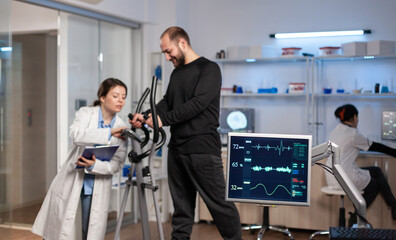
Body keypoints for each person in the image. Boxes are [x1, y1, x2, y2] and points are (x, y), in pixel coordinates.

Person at [131, 26, 242, 240]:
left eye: (168, 50)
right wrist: (145, 116)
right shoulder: (177, 72)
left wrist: (163, 120)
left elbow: (197, 104)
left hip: (202, 150)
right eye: (163, 52)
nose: (166, 56)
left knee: (220, 206)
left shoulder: (209, 69)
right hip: (178, 150)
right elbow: (167, 102)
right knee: (181, 210)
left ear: (182, 43)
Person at [32, 78, 129, 240]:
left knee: (87, 231)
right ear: (103, 98)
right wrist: (109, 133)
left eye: (124, 97)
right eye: (116, 96)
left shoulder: (122, 127)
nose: (121, 100)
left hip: (95, 186)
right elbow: (76, 135)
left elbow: (117, 164)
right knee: (58, 229)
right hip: (71, 180)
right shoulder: (86, 113)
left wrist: (94, 165)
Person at [325, 103, 396, 227]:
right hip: (344, 176)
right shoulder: (353, 134)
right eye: (357, 117)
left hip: (331, 175)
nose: (358, 120)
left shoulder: (336, 131)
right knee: (373, 184)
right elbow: (375, 146)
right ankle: (356, 216)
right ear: (354, 117)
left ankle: (394, 205)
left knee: (376, 171)